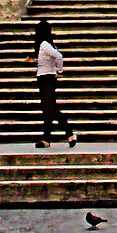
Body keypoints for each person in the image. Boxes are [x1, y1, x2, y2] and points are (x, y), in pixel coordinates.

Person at [34, 19, 75, 148]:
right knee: (47, 109)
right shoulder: (46, 45)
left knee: (51, 108)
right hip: (45, 78)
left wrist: (60, 70)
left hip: (47, 78)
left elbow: (59, 56)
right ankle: (47, 138)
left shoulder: (44, 44)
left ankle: (69, 132)